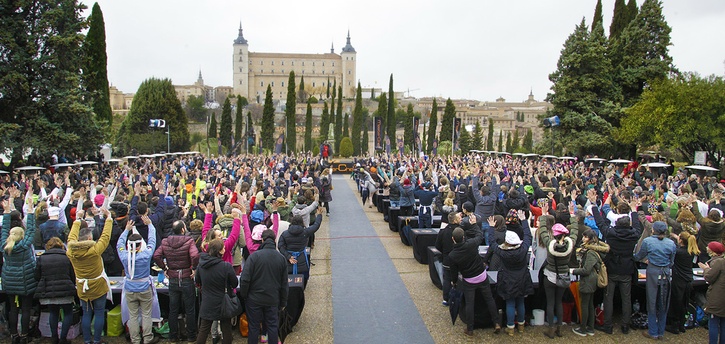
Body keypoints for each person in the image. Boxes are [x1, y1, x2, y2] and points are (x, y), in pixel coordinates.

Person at [591, 200, 641, 335]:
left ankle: (608, 325)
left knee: (608, 297)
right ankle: (625, 325)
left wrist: (594, 206)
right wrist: (634, 210)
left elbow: (600, 223)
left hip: (612, 267)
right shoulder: (633, 234)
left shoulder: (611, 233)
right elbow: (637, 226)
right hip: (627, 268)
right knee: (626, 298)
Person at [67, 207, 114, 344]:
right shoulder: (94, 250)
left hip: (82, 287)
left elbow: (71, 238)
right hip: (98, 286)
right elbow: (105, 237)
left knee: (86, 314)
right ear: (89, 238)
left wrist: (78, 220)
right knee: (99, 313)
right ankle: (97, 340)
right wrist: (109, 218)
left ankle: (87, 341)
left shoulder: (71, 252)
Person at [483, 210, 533, 336]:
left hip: (508, 278)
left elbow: (492, 243)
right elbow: (528, 236)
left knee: (510, 302)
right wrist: (524, 221)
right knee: (521, 301)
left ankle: (510, 327)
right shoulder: (523, 249)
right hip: (522, 277)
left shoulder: (503, 252)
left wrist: (491, 228)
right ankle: (521, 325)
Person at [448, 221, 501, 336]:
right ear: (463, 237)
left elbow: (453, 272)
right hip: (482, 276)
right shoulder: (471, 244)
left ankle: (470, 329)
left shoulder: (452, 255)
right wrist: (474, 224)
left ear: (453, 239)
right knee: (489, 299)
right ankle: (496, 322)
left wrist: (454, 282)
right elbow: (479, 235)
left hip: (469, 280)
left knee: (469, 304)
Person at [153, 220, 200, 342]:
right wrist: (193, 268)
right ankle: (191, 336)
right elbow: (195, 256)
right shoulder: (189, 241)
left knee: (173, 309)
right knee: (189, 309)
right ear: (183, 230)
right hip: (186, 277)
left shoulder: (165, 242)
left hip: (173, 277)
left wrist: (165, 268)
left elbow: (156, 256)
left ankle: (173, 336)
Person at [240, 228, 289, 344]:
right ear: (274, 240)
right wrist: (283, 302)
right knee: (272, 326)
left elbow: (245, 279)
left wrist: (244, 295)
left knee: (254, 327)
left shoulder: (254, 257)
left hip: (254, 299)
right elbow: (284, 284)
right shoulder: (281, 259)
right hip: (272, 299)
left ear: (262, 240)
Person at [117, 216, 159, 344]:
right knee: (146, 314)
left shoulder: (124, 255)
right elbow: (152, 241)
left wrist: (126, 230)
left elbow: (119, 244)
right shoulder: (145, 254)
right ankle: (147, 338)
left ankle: (135, 339)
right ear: (141, 244)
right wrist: (150, 226)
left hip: (130, 288)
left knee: (133, 315)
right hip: (144, 287)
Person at [1, 197, 38, 344]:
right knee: (26, 308)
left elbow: (4, 229)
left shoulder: (4, 246)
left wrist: (6, 212)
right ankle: (24, 335)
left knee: (13, 309)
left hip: (9, 281)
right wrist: (30, 211)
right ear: (21, 236)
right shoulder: (25, 245)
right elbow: (31, 230)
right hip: (25, 281)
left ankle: (13, 335)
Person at [634, 221, 677, 340]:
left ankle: (653, 332)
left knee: (652, 302)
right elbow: (672, 261)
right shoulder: (671, 243)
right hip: (666, 273)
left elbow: (639, 256)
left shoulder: (648, 241)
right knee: (663, 302)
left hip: (653, 271)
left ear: (654, 230)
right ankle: (661, 332)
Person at [195, 237, 239, 344]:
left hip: (207, 301)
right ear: (219, 251)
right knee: (226, 329)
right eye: (223, 248)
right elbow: (235, 283)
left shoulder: (201, 265)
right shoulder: (226, 266)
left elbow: (197, 281)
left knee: (204, 329)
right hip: (223, 302)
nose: (225, 250)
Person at [35, 237, 77, 344]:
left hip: (48, 290)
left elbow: (37, 276)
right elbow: (73, 275)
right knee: (68, 313)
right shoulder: (67, 257)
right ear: (61, 246)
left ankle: (54, 337)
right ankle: (63, 338)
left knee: (53, 313)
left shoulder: (42, 258)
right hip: (65, 289)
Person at [571, 229, 610, 337]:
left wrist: (573, 271)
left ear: (590, 239)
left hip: (588, 280)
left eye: (585, 237)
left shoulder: (591, 252)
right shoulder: (594, 250)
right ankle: (590, 328)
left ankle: (583, 328)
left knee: (585, 304)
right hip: (592, 280)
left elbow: (586, 270)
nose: (583, 238)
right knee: (590, 304)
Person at [540, 223, 574, 339]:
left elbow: (543, 232)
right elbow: (574, 232)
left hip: (550, 275)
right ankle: (559, 328)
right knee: (559, 302)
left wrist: (544, 216)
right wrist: (573, 216)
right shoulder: (569, 245)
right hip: (563, 275)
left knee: (550, 303)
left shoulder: (550, 244)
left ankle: (550, 329)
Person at [278, 207, 324, 287]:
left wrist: (288, 256)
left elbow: (280, 246)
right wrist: (319, 215)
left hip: (289, 260)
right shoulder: (305, 232)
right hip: (301, 258)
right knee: (303, 276)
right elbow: (316, 226)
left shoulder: (285, 234)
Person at [667, 231, 699, 334]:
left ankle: (675, 325)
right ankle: (682, 324)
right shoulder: (691, 251)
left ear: (680, 240)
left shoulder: (678, 252)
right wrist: (677, 236)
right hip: (688, 279)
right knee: (685, 302)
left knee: (676, 302)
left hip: (679, 280)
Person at [701, 241, 725, 344]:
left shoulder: (718, 262)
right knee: (723, 323)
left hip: (717, 297)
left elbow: (709, 278)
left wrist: (706, 269)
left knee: (714, 322)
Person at [435, 212, 460, 306]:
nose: (461, 219)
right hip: (458, 260)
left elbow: (437, 245)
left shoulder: (443, 231)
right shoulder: (459, 231)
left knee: (447, 279)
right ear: (454, 220)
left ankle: (446, 299)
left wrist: (445, 253)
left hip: (447, 259)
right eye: (459, 218)